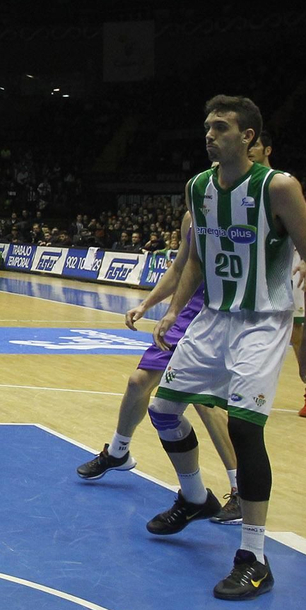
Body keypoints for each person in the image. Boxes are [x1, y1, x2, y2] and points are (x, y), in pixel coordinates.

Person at [145, 96, 306, 600]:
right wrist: (173, 313)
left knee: (246, 429)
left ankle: (254, 556)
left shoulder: (280, 187)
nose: (209, 134)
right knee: (163, 410)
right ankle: (195, 497)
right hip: (212, 319)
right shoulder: (199, 187)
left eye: (221, 127)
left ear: (248, 136)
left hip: (263, 322)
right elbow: (196, 262)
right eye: (207, 126)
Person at [76, 209, 243, 526]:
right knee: (138, 382)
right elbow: (181, 267)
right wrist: (146, 304)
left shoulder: (244, 210)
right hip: (186, 313)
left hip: (218, 316)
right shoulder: (191, 217)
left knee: (204, 403)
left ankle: (240, 490)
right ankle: (118, 451)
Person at [248, 130, 306, 417]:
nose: (249, 150)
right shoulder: (242, 185)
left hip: (286, 267)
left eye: (254, 145)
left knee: (296, 334)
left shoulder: (282, 184)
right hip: (254, 271)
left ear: (267, 149)